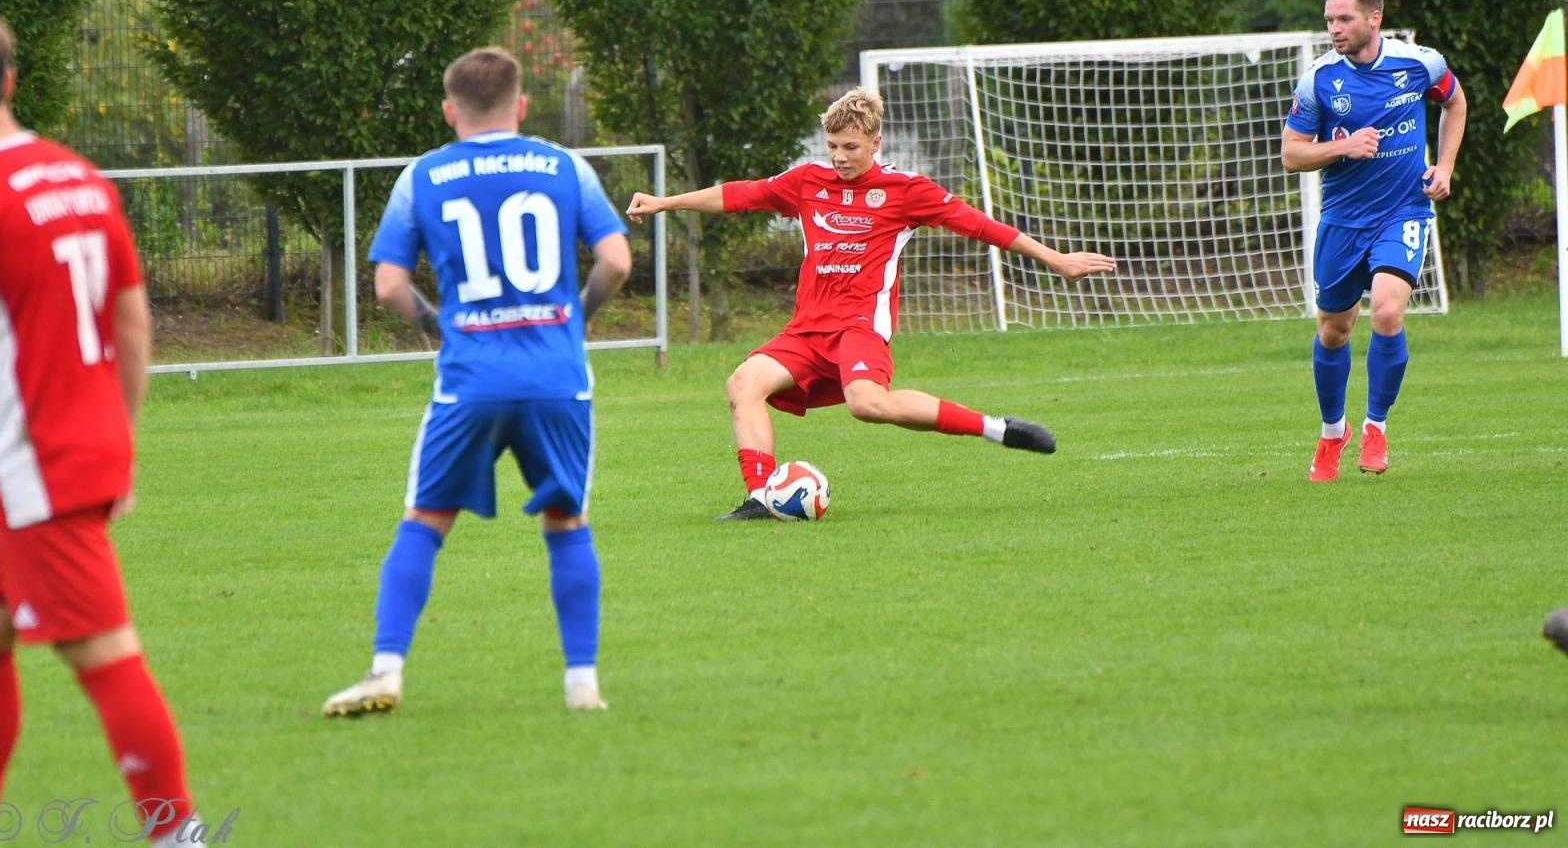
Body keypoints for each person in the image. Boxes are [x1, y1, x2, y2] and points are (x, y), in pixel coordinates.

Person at [625, 86, 1116, 521]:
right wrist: (666, 203)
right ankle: (763, 498)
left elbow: (979, 225)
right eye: (833, 146)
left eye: (850, 148)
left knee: (867, 404)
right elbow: (740, 195)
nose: (839, 157)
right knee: (743, 382)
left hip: (861, 326)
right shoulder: (808, 181)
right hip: (806, 329)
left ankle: (995, 428)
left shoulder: (905, 191)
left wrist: (1056, 259)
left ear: (875, 144)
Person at [323, 47, 631, 717]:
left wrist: (438, 326)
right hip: (556, 374)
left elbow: (386, 286)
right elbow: (616, 259)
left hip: (471, 375)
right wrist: (574, 318)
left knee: (426, 520)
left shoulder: (422, 176)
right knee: (567, 518)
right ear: (521, 106)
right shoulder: (563, 166)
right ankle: (583, 685)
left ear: (448, 110)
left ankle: (386, 669)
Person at [0, 5, 194, 847]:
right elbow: (132, 321)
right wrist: (119, 440)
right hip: (82, 442)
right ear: (11, 80)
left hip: (38, 462)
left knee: (104, 657)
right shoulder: (74, 173)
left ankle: (179, 833)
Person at [1280, 0, 1467, 482]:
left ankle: (1375, 427)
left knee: (1386, 311)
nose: (1335, 30)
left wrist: (1445, 167)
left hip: (1403, 212)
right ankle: (1331, 432)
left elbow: (1455, 101)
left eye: (1344, 19)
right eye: (1329, 21)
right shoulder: (1319, 80)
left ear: (1374, 18)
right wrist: (1341, 147)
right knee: (1334, 330)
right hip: (1342, 221)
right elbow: (1292, 154)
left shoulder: (1419, 62)